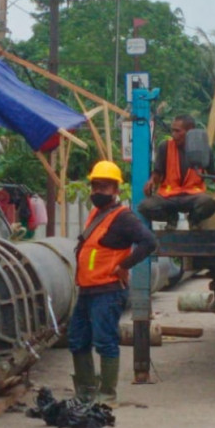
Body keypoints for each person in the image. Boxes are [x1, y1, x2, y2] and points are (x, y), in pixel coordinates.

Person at [70, 161, 157, 404]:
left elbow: (149, 242)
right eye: (95, 186)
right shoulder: (96, 213)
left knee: (105, 341)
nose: (98, 191)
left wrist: (124, 266)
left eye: (104, 187)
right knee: (77, 339)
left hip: (107, 291)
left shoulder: (123, 218)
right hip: (88, 289)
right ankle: (86, 390)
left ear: (116, 190)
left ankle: (106, 395)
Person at [138, 114, 215, 228]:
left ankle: (193, 220)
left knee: (208, 203)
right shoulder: (165, 147)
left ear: (190, 131)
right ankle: (171, 217)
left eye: (177, 131)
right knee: (145, 207)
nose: (173, 135)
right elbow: (158, 172)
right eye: (172, 131)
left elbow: (213, 174)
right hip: (169, 196)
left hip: (193, 195)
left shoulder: (203, 149)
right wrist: (151, 181)